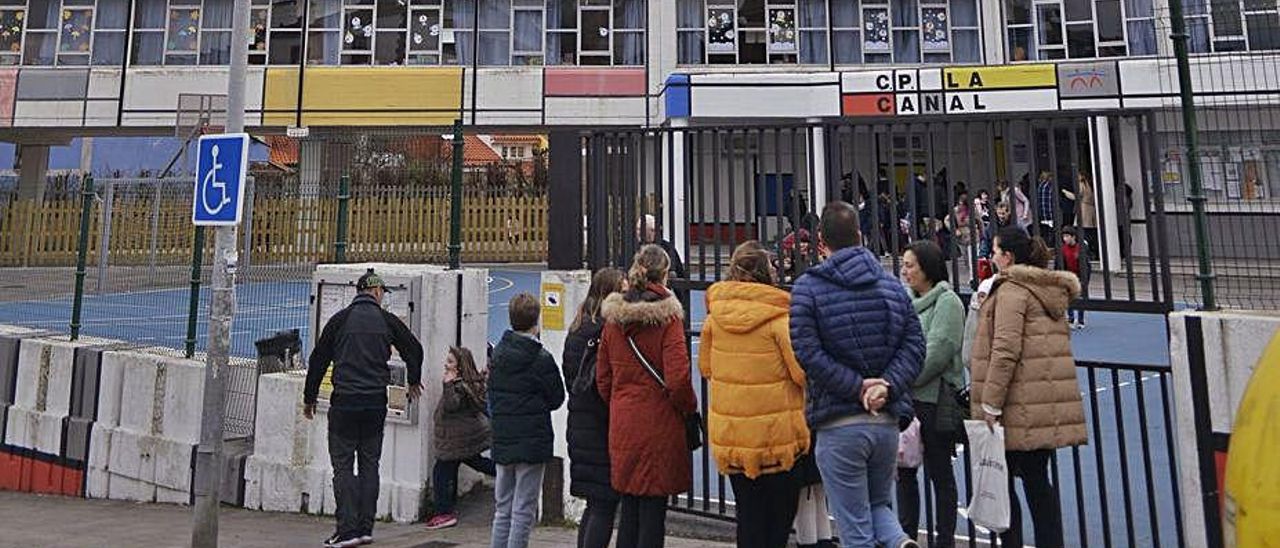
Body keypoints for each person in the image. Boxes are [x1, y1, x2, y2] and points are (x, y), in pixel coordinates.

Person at [790, 201, 925, 548]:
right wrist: (886, 386)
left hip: (838, 420)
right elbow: (914, 345)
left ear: (822, 241)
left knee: (854, 527)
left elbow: (807, 352)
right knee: (878, 504)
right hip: (885, 420)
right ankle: (898, 541)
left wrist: (855, 387)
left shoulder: (809, 287)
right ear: (861, 236)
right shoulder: (892, 286)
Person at [970, 226, 1087, 548]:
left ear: (1007, 257)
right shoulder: (1046, 291)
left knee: (1003, 485)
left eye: (995, 251)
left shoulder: (1011, 292)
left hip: (1017, 403)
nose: (992, 257)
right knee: (1037, 482)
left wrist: (990, 404)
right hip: (1043, 400)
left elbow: (1005, 350)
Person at [700, 241, 810, 548]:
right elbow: (801, 373)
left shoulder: (714, 318)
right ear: (764, 273)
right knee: (778, 519)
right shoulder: (779, 320)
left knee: (748, 517)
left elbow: (706, 368)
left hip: (734, 435)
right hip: (775, 436)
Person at [305, 269, 424, 548]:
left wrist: (309, 398)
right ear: (377, 292)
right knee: (370, 464)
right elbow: (413, 349)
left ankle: (346, 531)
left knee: (343, 467)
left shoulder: (340, 320)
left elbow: (318, 360)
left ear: (359, 292)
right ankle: (365, 528)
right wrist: (414, 380)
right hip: (375, 403)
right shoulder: (386, 320)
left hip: (344, 403)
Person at [598, 244, 697, 548]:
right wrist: (687, 408)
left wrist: (619, 402)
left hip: (625, 420)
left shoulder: (614, 319)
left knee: (629, 505)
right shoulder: (668, 319)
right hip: (659, 422)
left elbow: (603, 377)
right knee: (654, 510)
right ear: (664, 274)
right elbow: (678, 378)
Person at [896, 241, 966, 548]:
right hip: (909, 400)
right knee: (904, 472)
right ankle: (906, 536)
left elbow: (938, 352)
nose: (905, 270)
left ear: (927, 267)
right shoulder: (906, 301)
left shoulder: (948, 302)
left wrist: (901, 378)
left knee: (940, 475)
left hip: (935, 400)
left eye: (910, 265)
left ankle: (945, 540)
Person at [488, 293, 566, 548]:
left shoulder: (499, 355)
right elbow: (556, 397)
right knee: (523, 509)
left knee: (503, 508)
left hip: (504, 436)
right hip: (532, 438)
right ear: (536, 320)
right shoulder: (540, 358)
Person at [562, 268, 627, 548]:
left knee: (595, 504)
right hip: (600, 427)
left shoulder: (578, 327)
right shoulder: (603, 331)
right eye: (622, 292)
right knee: (604, 505)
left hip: (581, 424)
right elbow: (604, 383)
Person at [426, 346, 496, 530]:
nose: (445, 364)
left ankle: (444, 513)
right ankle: (507, 473)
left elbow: (451, 405)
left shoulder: (458, 385)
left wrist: (447, 384)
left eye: (450, 361)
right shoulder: (469, 382)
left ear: (459, 366)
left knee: (441, 472)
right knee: (473, 462)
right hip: (463, 438)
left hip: (457, 440)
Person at [1058, 227, 1092, 330]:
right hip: (1068, 276)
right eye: (1064, 236)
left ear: (1073, 237)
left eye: (1067, 236)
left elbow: (1086, 265)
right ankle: (1071, 318)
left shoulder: (1081, 248)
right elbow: (1059, 263)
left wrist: (1085, 279)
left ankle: (1081, 320)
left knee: (1080, 297)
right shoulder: (1062, 249)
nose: (1065, 239)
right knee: (1069, 297)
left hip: (1079, 276)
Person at [636, 214, 686, 281]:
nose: (638, 232)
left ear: (652, 230)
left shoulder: (667, 247)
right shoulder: (634, 247)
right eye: (637, 229)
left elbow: (678, 274)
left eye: (640, 229)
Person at [1075, 174, 1098, 259]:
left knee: (1084, 233)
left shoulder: (1082, 184)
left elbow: (1077, 196)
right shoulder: (1090, 185)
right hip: (1090, 210)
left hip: (1084, 210)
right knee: (1090, 233)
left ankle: (1087, 253)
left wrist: (1066, 193)